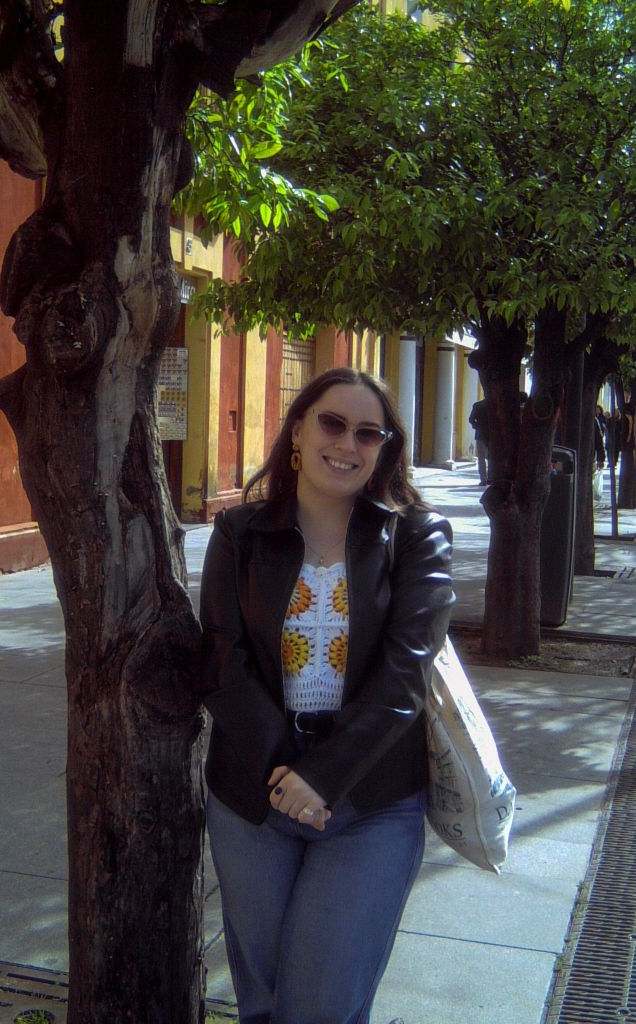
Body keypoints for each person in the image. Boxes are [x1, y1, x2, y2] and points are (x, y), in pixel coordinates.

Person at [199, 367, 454, 1024]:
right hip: (252, 796)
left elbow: (406, 672)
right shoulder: (239, 533)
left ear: (384, 450)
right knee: (262, 1004)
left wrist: (324, 776)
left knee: (320, 1007)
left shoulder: (416, 536)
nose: (347, 444)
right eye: (332, 423)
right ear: (298, 431)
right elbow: (222, 660)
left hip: (372, 798)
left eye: (368, 433)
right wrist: (285, 775)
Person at [468, 397, 490, 485]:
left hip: (481, 434)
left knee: (481, 458)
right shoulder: (496, 405)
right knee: (492, 458)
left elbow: (471, 419)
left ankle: (483, 479)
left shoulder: (478, 405)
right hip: (494, 435)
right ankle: (491, 478)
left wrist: (477, 427)